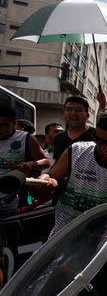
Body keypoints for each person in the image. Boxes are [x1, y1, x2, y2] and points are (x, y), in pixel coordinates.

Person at [31, 106, 107, 250]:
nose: (104, 147)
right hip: (64, 238)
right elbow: (44, 185)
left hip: (104, 243)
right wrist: (42, 183)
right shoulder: (76, 151)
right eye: (99, 140)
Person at [0, 105, 50, 289]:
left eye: (4, 125)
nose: (0, 129)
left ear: (14, 124)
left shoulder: (25, 139)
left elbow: (45, 161)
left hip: (13, 201)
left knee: (10, 246)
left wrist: (30, 163)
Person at [53, 96, 95, 162]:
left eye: (78, 110)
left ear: (87, 116)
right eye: (69, 109)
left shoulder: (96, 136)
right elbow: (57, 164)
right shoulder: (58, 138)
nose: (73, 113)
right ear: (63, 114)